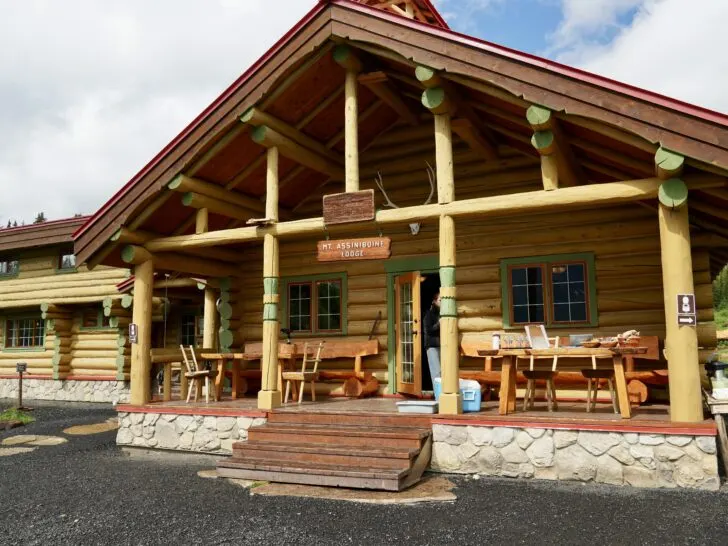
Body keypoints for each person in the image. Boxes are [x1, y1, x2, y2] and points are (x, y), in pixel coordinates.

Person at [423, 291, 442, 383]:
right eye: (440, 300)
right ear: (434, 301)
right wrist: (439, 324)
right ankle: (438, 396)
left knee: (442, 372)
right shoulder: (429, 314)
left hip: (441, 345)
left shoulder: (441, 313)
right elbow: (428, 330)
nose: (442, 302)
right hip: (432, 345)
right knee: (436, 372)